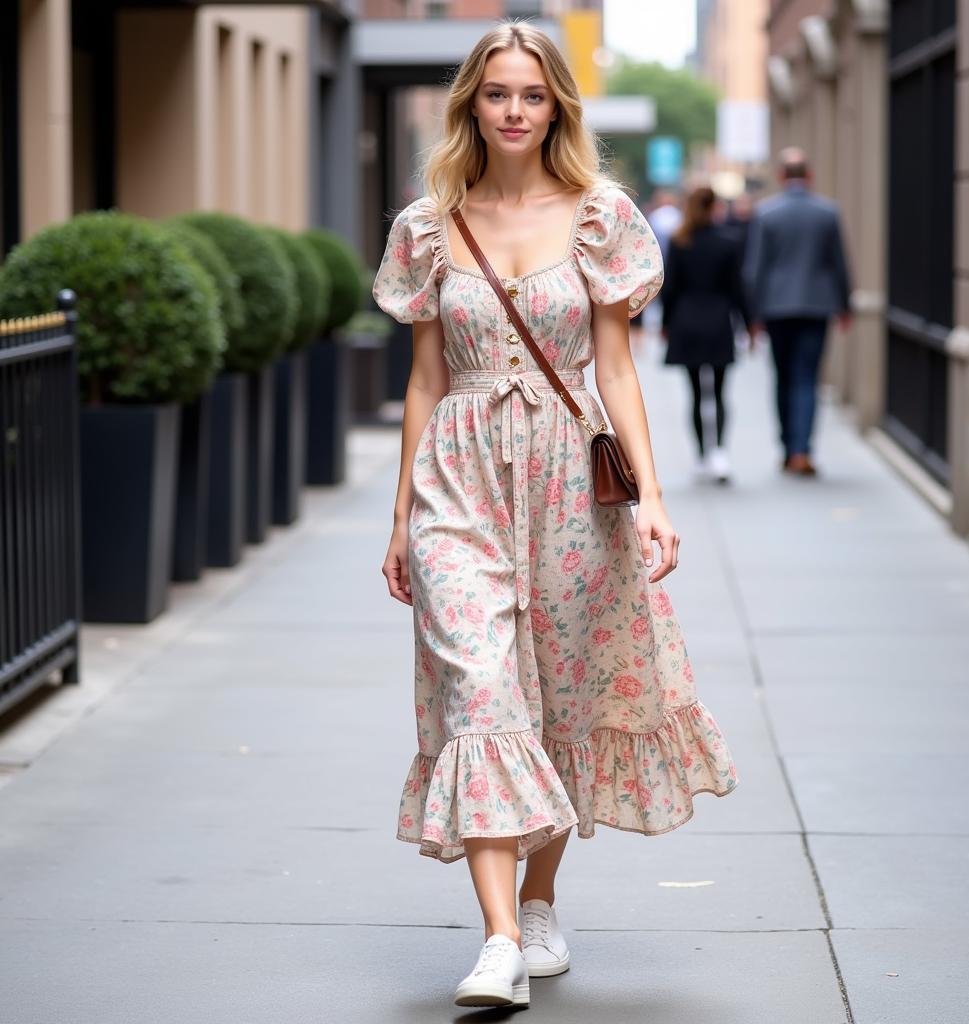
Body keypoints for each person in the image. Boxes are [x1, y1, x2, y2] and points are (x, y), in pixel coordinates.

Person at [371, 21, 738, 1012]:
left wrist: (652, 497)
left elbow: (615, 364)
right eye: (497, 94)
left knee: (556, 698)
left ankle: (538, 899)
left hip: (573, 479)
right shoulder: (428, 224)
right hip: (460, 477)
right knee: (480, 694)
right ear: (470, 105)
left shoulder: (600, 216)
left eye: (532, 95)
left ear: (557, 106)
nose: (515, 111)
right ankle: (496, 942)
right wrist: (404, 514)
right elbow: (422, 378)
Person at [742, 147, 852, 476]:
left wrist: (754, 316)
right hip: (817, 306)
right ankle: (802, 449)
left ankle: (789, 447)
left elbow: (754, 269)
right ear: (809, 175)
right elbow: (839, 263)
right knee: (807, 377)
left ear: (780, 176)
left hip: (777, 307)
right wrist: (845, 305)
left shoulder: (766, 213)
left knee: (784, 376)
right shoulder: (828, 212)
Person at [661, 185, 750, 484]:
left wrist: (665, 324)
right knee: (721, 392)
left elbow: (669, 288)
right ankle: (720, 452)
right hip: (718, 321)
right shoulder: (729, 243)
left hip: (686, 321)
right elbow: (738, 288)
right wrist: (748, 323)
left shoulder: (679, 241)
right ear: (715, 208)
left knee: (696, 393)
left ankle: (701, 454)